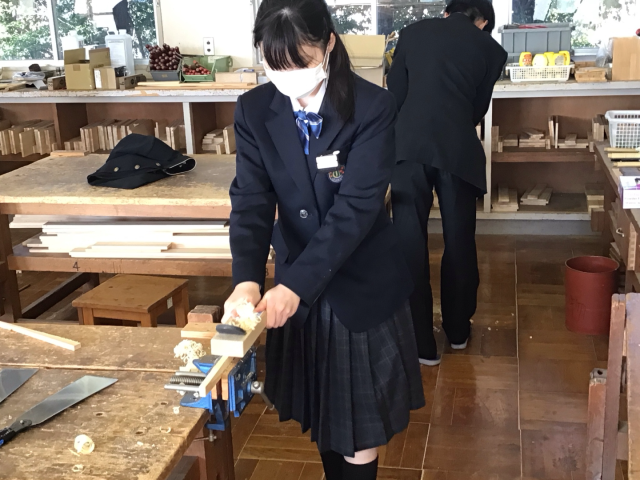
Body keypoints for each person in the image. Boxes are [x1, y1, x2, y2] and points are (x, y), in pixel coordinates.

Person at [224, 1, 425, 479]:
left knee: (359, 434)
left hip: (358, 285)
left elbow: (356, 210)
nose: (288, 76)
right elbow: (251, 200)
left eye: (301, 61)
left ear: (329, 43)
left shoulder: (372, 107)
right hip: (297, 282)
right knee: (326, 417)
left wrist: (294, 286)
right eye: (275, 65)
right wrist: (246, 279)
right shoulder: (254, 109)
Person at [387, 0, 508, 365]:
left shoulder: (411, 33)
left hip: (408, 149)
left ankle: (421, 343)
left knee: (409, 242)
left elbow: (396, 94)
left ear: (446, 11)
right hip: (457, 152)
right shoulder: (492, 49)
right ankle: (457, 331)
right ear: (483, 21)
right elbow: (477, 110)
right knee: (459, 241)